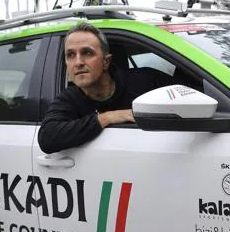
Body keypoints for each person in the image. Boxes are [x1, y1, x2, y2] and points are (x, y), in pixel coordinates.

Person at [38, 22, 174, 154]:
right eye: (71, 55)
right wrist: (107, 118)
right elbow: (47, 137)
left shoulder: (146, 81)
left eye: (87, 53)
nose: (78, 62)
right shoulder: (69, 98)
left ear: (106, 61)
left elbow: (190, 97)